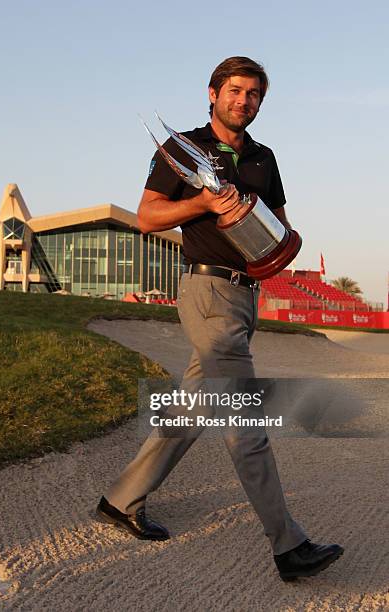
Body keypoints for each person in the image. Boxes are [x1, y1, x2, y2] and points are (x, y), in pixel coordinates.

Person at [95, 57, 343, 581]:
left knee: (190, 409)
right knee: (245, 423)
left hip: (245, 292)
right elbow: (148, 215)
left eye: (254, 95)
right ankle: (288, 545)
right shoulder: (180, 148)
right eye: (235, 91)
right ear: (212, 93)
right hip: (207, 290)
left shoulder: (264, 157)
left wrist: (266, 229)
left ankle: (121, 500)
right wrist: (204, 204)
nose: (244, 101)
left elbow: (279, 222)